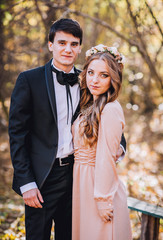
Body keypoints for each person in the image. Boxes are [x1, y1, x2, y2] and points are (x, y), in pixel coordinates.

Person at [8, 18, 126, 240]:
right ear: (50, 45)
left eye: (73, 44)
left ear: (80, 48)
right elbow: (17, 134)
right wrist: (26, 182)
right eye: (62, 43)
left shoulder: (89, 79)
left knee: (73, 235)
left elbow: (110, 119)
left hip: (77, 177)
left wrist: (120, 146)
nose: (68, 49)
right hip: (42, 177)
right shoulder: (29, 80)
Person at [72, 44, 132, 240]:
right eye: (90, 72)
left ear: (113, 79)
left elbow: (106, 157)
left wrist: (103, 199)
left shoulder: (111, 109)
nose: (94, 80)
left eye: (103, 75)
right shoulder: (89, 103)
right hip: (82, 182)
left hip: (98, 186)